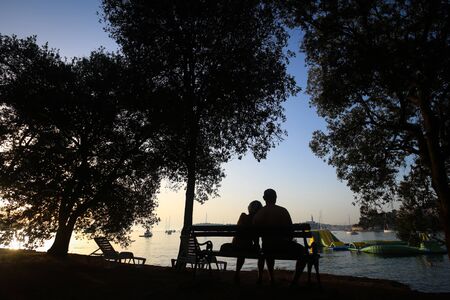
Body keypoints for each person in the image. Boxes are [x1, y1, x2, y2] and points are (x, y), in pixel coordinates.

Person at [253, 188, 306, 285]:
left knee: (267, 250)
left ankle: (272, 279)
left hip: (267, 247)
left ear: (264, 198)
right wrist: (288, 240)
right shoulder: (283, 211)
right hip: (283, 246)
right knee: (304, 252)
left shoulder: (259, 214)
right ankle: (294, 281)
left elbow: (255, 234)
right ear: (275, 198)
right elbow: (291, 232)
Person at [220, 200, 262, 282]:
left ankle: (237, 273)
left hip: (236, 246)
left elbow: (238, 234)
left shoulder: (243, 216)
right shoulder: (256, 221)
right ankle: (260, 277)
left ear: (249, 208)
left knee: (241, 250)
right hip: (246, 248)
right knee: (261, 254)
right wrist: (257, 246)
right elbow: (256, 241)